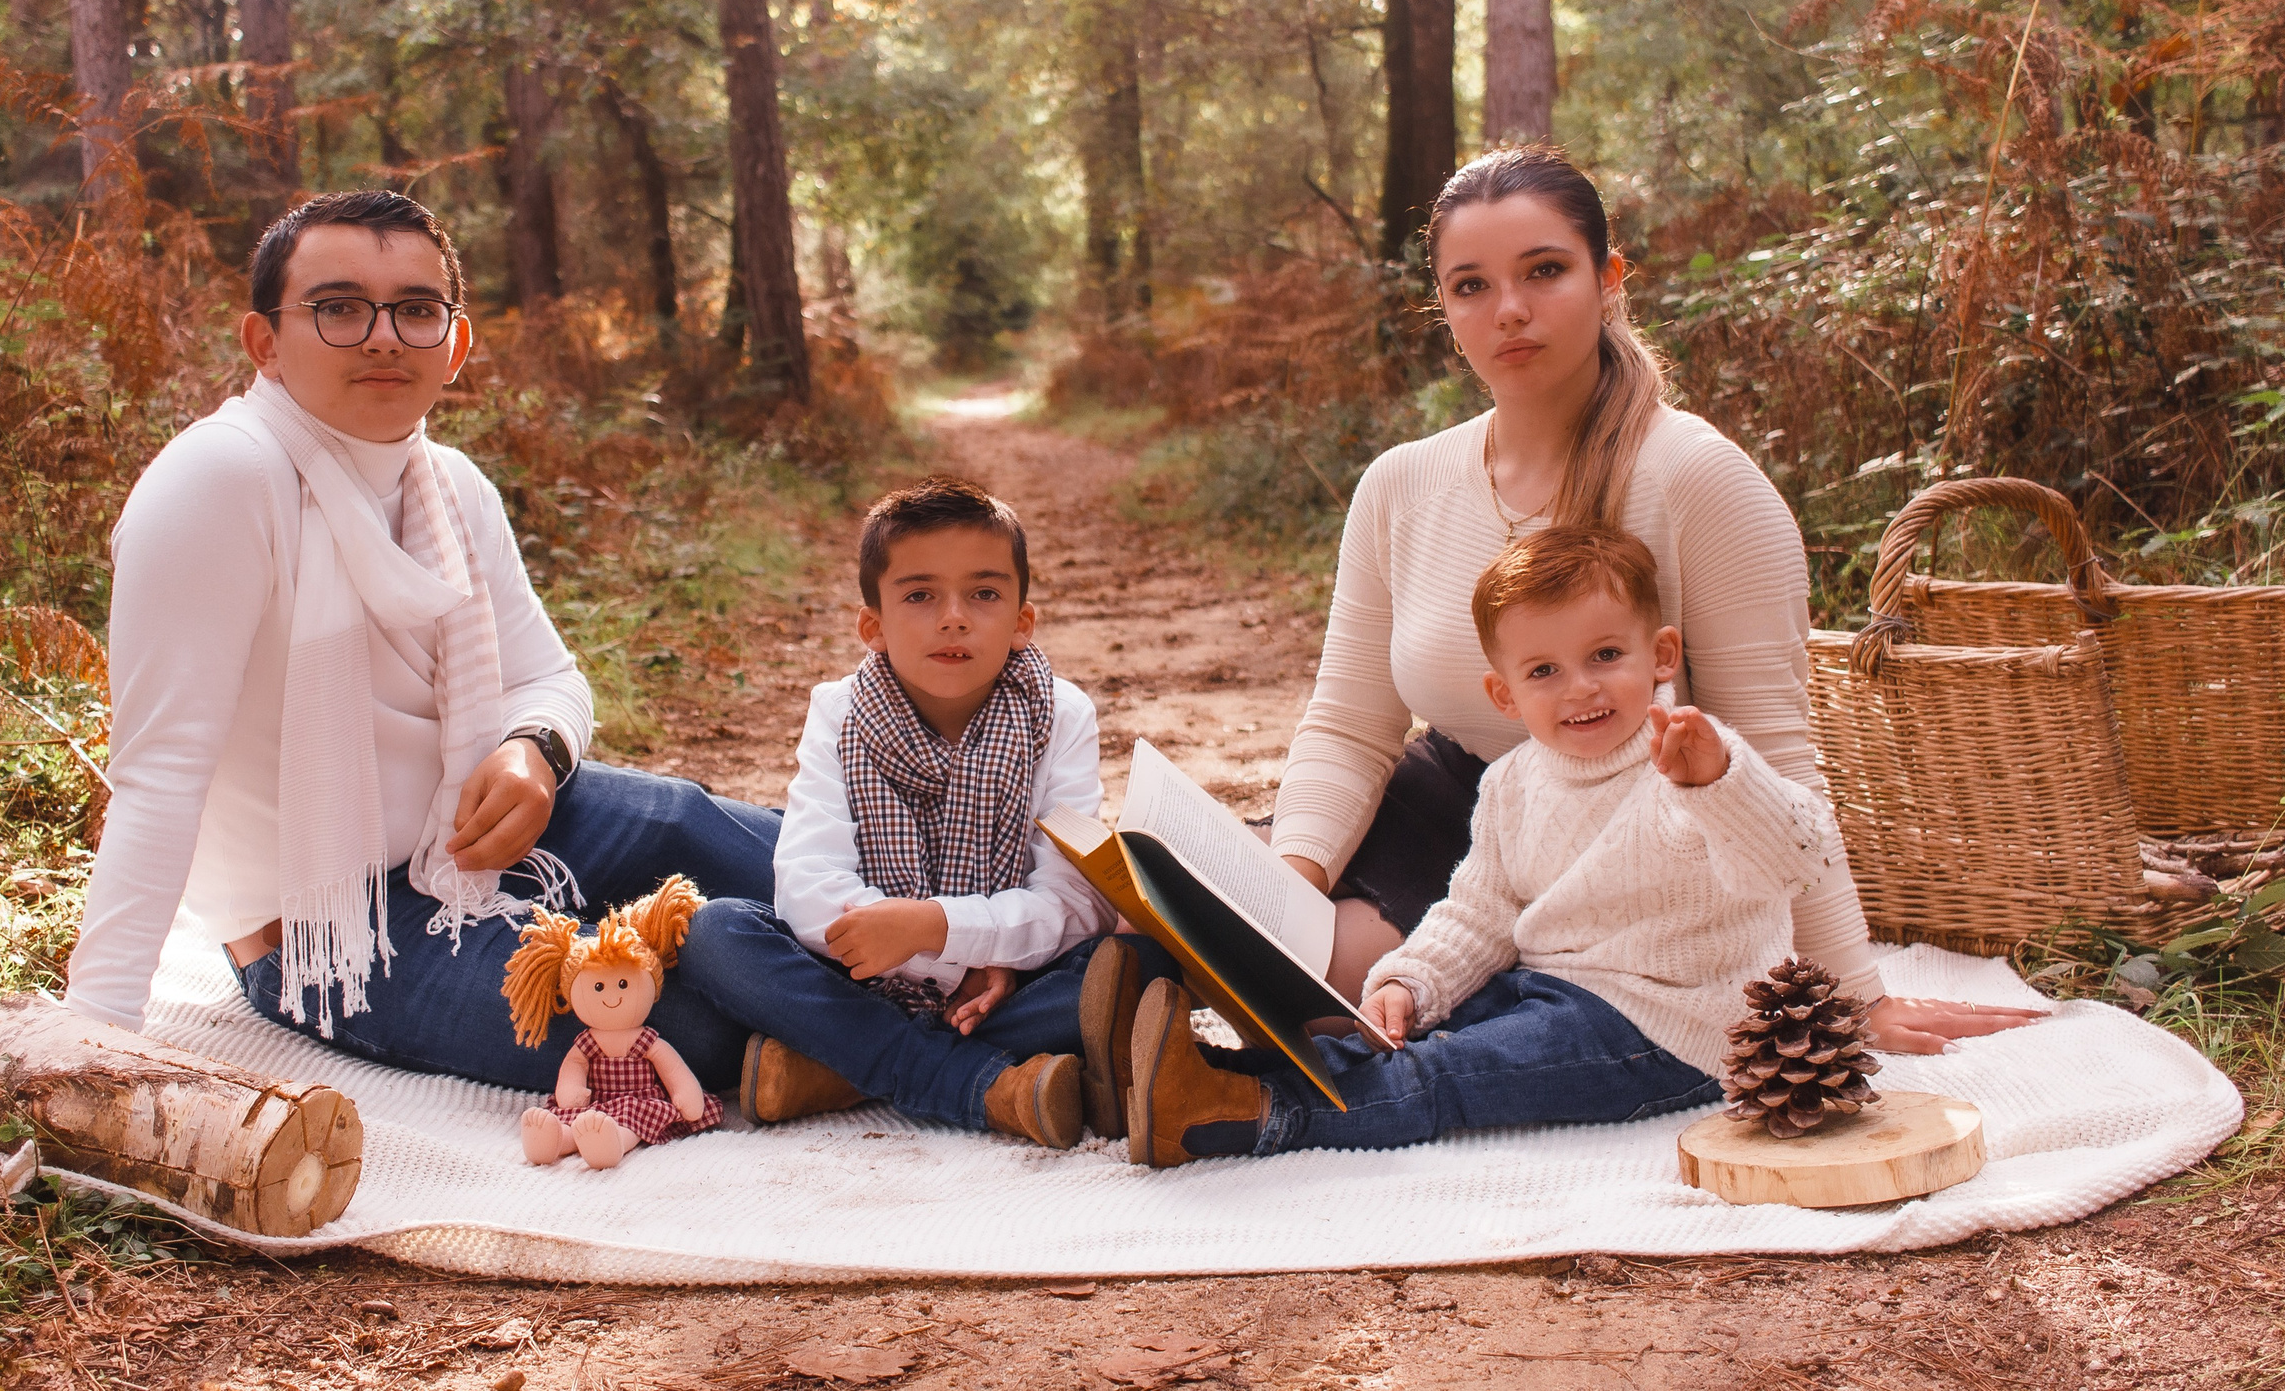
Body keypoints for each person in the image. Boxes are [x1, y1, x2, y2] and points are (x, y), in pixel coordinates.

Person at [1266, 145, 2042, 1057]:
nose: (1509, 310)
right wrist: (1282, 880)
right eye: (1471, 286)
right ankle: (1092, 1050)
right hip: (1468, 810)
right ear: (1444, 308)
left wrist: (1851, 990)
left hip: (1640, 842)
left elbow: (1780, 749)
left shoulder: (1699, 479)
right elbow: (1348, 725)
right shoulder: (1399, 484)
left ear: (1609, 279)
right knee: (1244, 952)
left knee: (1372, 1012)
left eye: (1545, 271)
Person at [62, 190, 780, 1091]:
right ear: (263, 342)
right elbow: (158, 774)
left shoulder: (451, 484)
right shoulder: (221, 479)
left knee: (735, 841)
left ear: (456, 342)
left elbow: (547, 675)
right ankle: (897, 1021)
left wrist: (534, 749)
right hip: (331, 926)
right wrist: (90, 1048)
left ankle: (981, 942)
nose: (382, 336)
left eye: (414, 310)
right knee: (674, 1025)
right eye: (338, 308)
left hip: (478, 835)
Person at [1126, 526, 1842, 1165]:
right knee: (1402, 1034)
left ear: (1660, 654)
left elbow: (1796, 860)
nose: (1580, 688)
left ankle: (1244, 1117)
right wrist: (1411, 980)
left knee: (1452, 1072)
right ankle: (1199, 1080)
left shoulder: (1691, 759)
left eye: (1605, 654)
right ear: (1505, 696)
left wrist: (1718, 783)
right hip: (1555, 988)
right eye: (1544, 671)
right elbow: (1478, 910)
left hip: (1671, 1025)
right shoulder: (1512, 783)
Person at [673, 477, 1161, 1148]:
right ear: (872, 624)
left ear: (1023, 620)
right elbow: (809, 890)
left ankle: (834, 1067)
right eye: (920, 594)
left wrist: (940, 926)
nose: (954, 616)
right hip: (868, 973)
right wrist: (949, 957)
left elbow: (1073, 906)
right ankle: (983, 1085)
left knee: (1145, 955)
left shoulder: (1060, 715)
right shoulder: (840, 711)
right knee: (713, 931)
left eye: (985, 594)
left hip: (1007, 982)